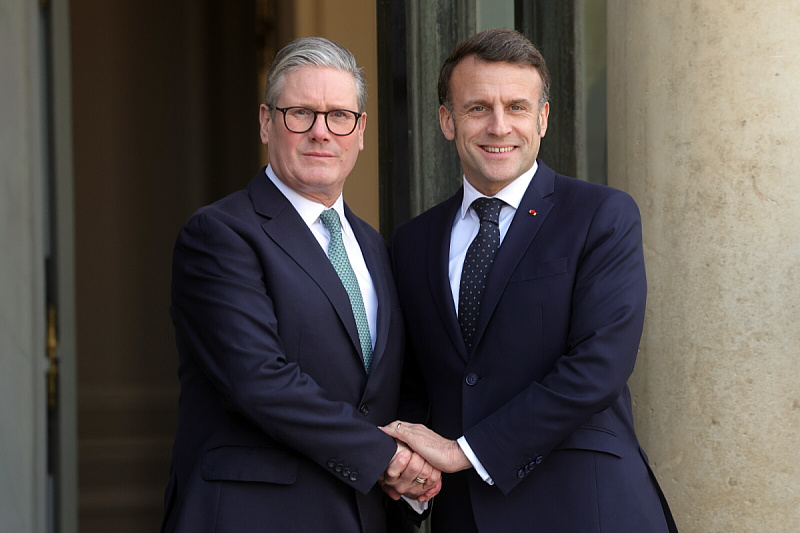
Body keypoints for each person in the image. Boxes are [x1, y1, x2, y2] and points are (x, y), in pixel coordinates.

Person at [384, 29, 678, 532]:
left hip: (588, 508)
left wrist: (466, 452)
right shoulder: (412, 242)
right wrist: (409, 467)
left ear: (542, 118)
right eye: (478, 108)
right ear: (447, 121)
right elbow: (415, 385)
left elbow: (599, 366)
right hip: (466, 516)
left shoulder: (601, 216)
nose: (499, 126)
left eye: (517, 107)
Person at [160, 37, 439, 533]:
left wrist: (417, 461)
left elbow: (388, 390)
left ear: (360, 131)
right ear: (266, 121)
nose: (321, 132)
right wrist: (388, 458)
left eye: (339, 116)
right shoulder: (220, 234)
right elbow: (257, 379)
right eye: (300, 114)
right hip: (254, 517)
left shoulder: (375, 248)